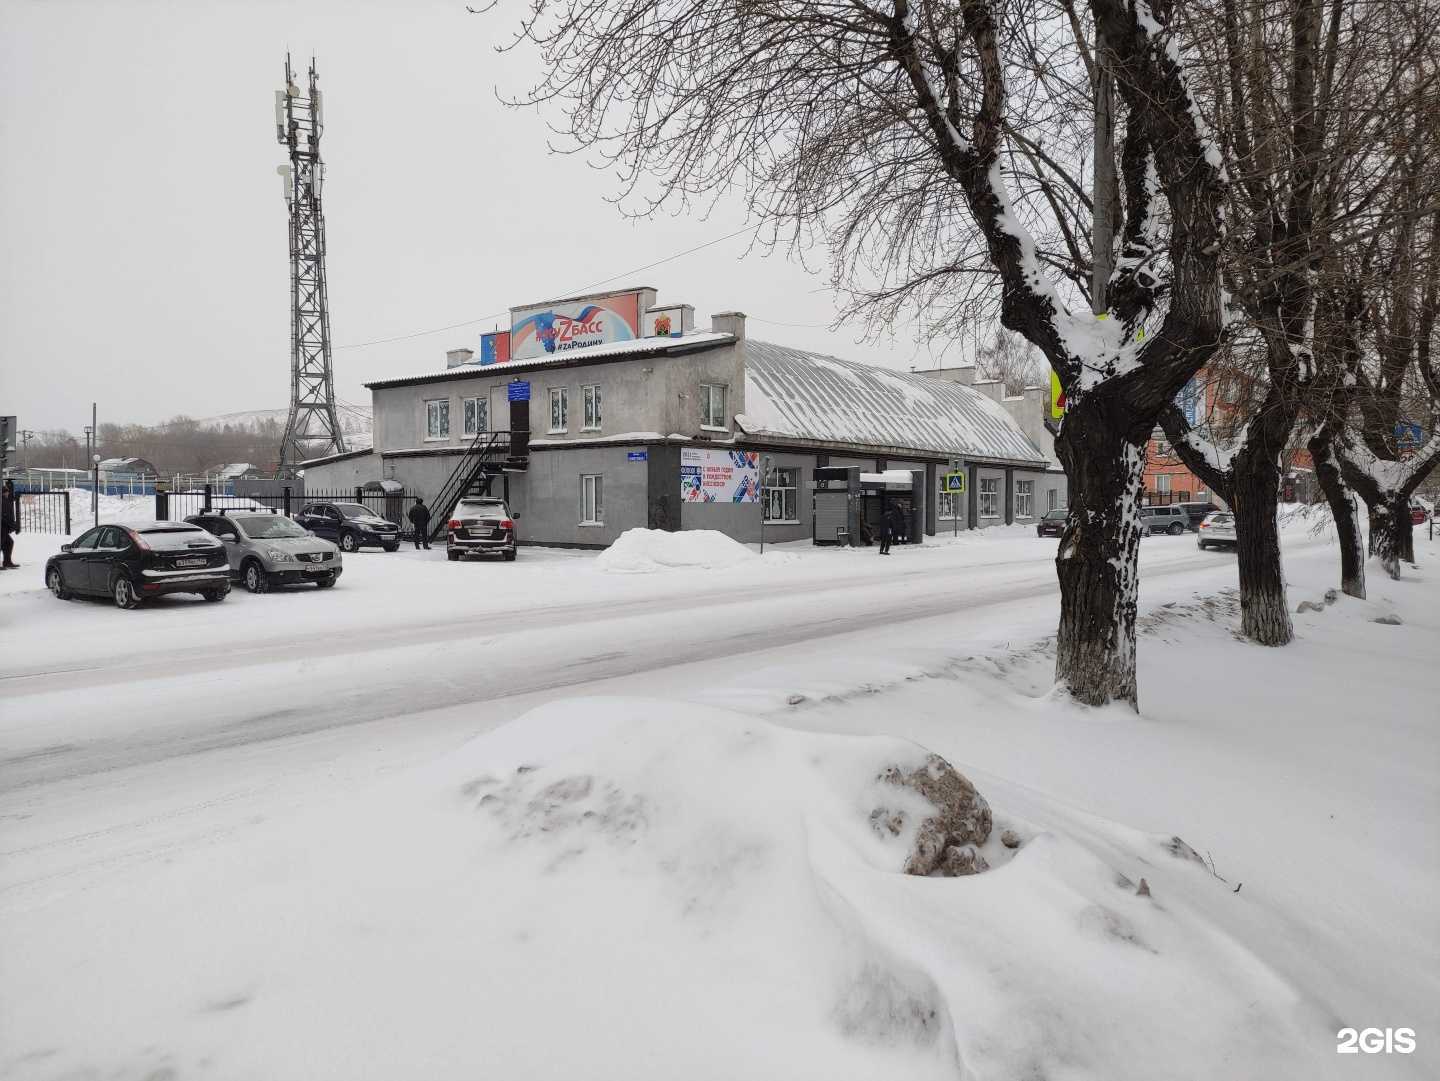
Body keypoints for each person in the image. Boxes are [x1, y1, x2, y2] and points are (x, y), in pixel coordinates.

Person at [1, 479, 19, 569]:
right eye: (6, 492)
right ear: (3, 493)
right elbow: (4, 516)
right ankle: (6, 562)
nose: (8, 493)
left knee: (8, 542)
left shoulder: (6, 500)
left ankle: (7, 562)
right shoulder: (3, 501)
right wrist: (12, 525)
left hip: (4, 527)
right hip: (2, 527)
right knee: (4, 543)